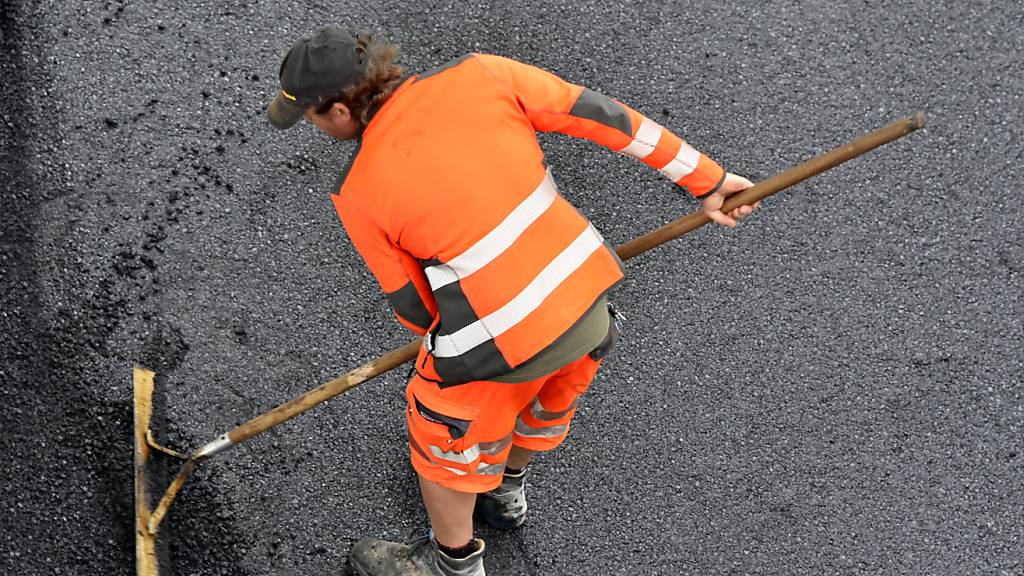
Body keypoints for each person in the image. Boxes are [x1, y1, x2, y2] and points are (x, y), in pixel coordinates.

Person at [267, 26, 758, 576]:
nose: (314, 127)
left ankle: (451, 563)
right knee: (541, 396)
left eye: (310, 117)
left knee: (439, 430)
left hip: (501, 345)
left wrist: (450, 342)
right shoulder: (482, 73)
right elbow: (606, 118)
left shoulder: (357, 190)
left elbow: (414, 307)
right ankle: (503, 490)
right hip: (587, 307)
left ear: (338, 110)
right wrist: (709, 180)